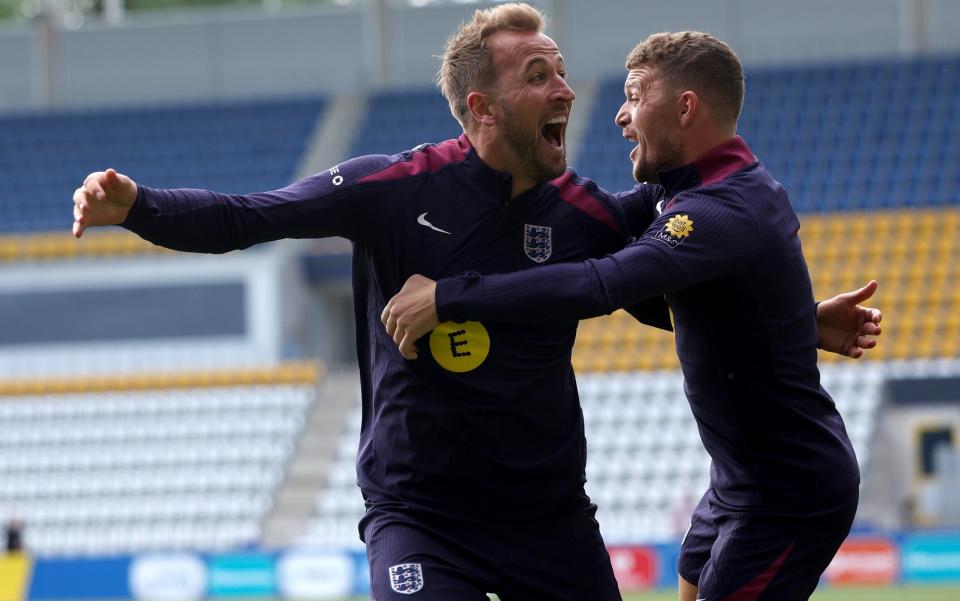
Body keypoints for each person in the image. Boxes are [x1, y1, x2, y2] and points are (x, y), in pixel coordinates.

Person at [72, 5, 877, 598]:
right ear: (481, 108)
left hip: (549, 519)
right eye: (538, 76)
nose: (568, 88)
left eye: (561, 70)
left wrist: (796, 322)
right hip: (423, 515)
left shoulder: (589, 213)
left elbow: (652, 283)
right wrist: (138, 204)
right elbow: (249, 217)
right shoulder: (392, 188)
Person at [381, 31, 880, 601]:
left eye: (635, 96)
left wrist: (452, 296)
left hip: (790, 493)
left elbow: (603, 283)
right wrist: (801, 318)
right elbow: (585, 232)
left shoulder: (723, 210)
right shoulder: (682, 193)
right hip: (738, 481)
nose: (620, 116)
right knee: (692, 584)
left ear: (686, 107)